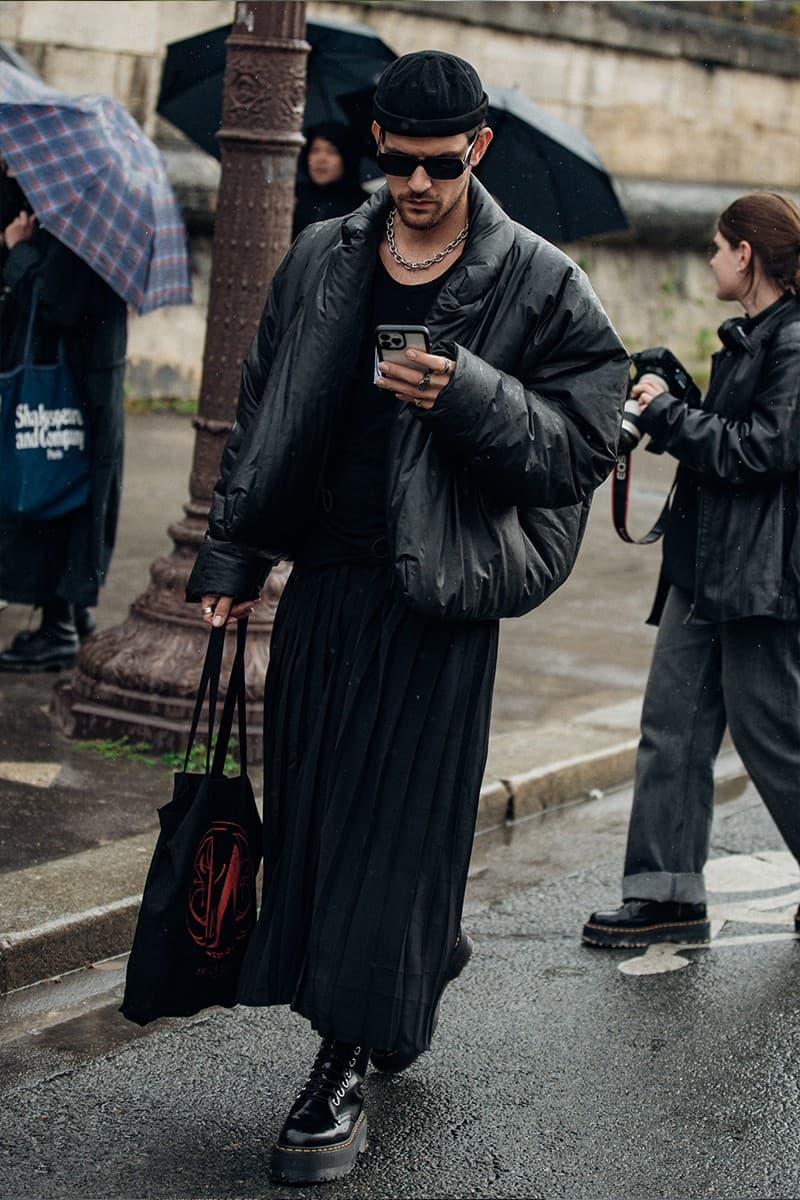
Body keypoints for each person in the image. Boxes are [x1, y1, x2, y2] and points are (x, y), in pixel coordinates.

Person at [187, 51, 627, 1185]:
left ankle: (336, 1072)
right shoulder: (323, 255)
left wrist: (469, 393)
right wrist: (231, 554)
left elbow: (583, 446)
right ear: (377, 141)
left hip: (438, 600)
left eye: (437, 165)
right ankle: (413, 953)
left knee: (393, 829)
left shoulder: (538, 281)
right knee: (323, 820)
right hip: (327, 586)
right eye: (397, 161)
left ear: (476, 149)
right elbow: (262, 408)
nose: (415, 186)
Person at [583, 191, 800, 950]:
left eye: (715, 246)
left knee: (772, 731)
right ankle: (665, 894)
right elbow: (733, 431)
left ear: (746, 253)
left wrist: (672, 418)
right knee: (671, 723)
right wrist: (676, 397)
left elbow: (763, 448)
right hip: (704, 563)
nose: (708, 258)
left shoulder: (796, 339)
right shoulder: (753, 336)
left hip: (757, 572)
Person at [0, 161, 127, 671]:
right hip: (82, 389)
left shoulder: (79, 227)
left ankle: (60, 628)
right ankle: (71, 614)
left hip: (69, 391)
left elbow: (55, 302)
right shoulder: (93, 218)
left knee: (57, 499)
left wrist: (18, 249)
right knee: (69, 499)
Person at [291, 121, 366, 239]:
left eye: (332, 152)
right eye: (315, 150)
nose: (321, 159)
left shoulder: (364, 207)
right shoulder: (294, 196)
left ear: (347, 158)